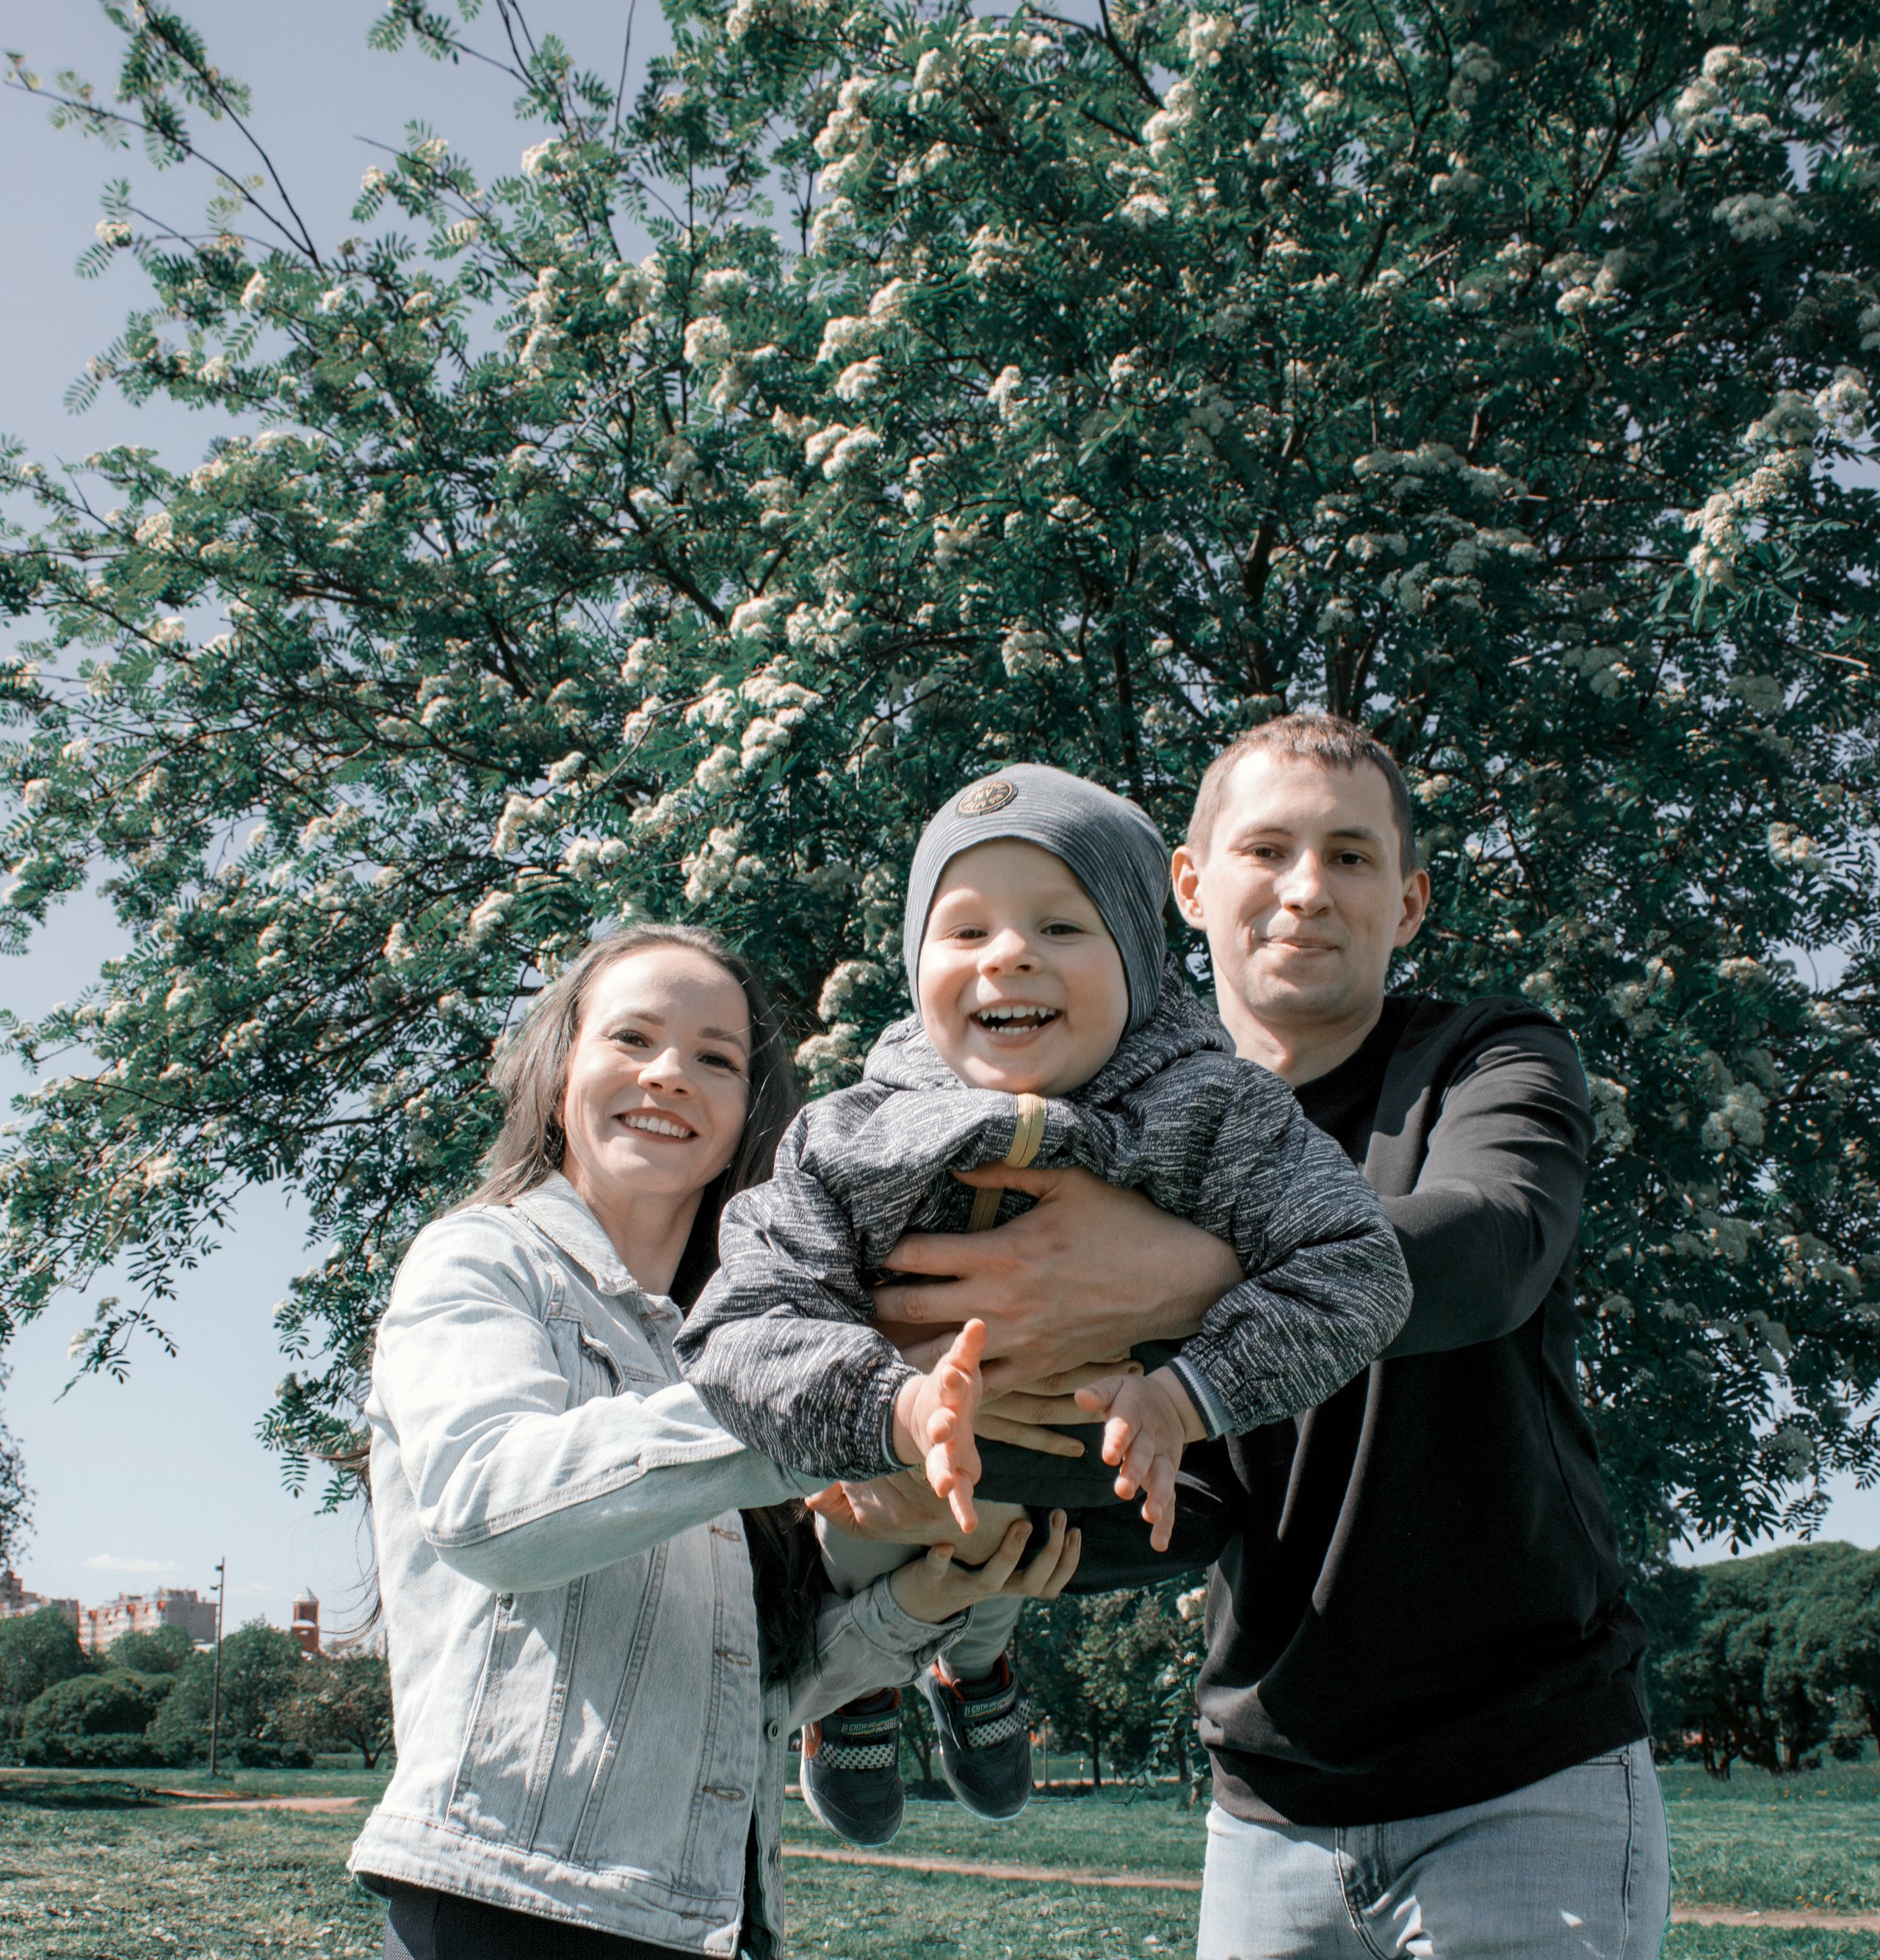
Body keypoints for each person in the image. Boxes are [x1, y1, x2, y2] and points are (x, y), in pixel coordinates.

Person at [861, 717, 1671, 1957]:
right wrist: (976, 1514)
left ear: (1409, 902)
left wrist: (1172, 1274)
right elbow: (1194, 1503)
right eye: (1267, 849)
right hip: (1267, 1812)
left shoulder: (1487, 1055)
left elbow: (1494, 1248)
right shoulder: (1127, 1133)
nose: (1306, 889)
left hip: (1524, 1776)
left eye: (1350, 856)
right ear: (1189, 886)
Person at [675, 766, 1412, 1850]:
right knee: (875, 1516)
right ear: (916, 966)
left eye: (1061, 926)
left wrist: (1183, 1395)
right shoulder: (850, 1136)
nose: (1009, 955)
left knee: (1047, 1529)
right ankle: (866, 1677)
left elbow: (1360, 1268)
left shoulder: (1215, 1109)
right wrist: (891, 1405)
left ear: (1139, 958)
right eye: (965, 929)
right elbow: (737, 1325)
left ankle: (978, 1660)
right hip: (891, 1474)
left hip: (1109, 1483)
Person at [347, 922, 1081, 1960]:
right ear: (558, 1072)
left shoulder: (736, 1340)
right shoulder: (481, 1260)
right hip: (506, 1911)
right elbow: (484, 1503)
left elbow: (755, 1698)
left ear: (746, 1117)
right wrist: (815, 1407)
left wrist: (933, 1597)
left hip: (718, 1925)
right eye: (632, 1037)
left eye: (716, 1058)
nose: (669, 1074)